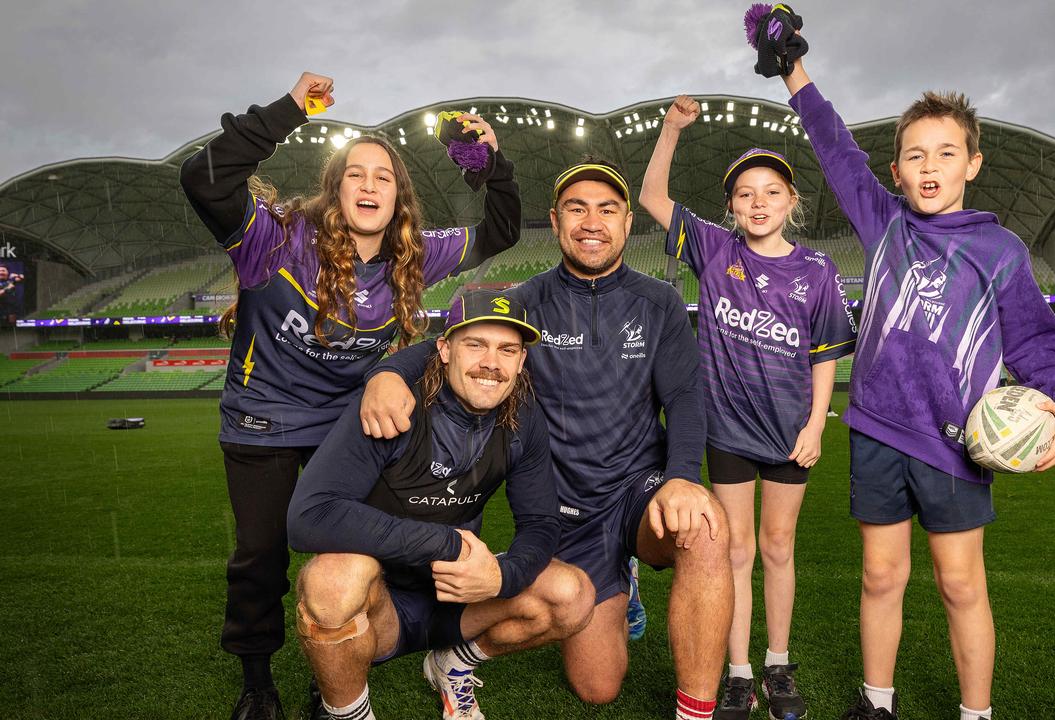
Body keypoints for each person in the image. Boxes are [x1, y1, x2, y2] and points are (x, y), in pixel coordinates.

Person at [755, 11, 1055, 720]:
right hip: (879, 428)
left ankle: (977, 712)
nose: (929, 166)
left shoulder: (1000, 251)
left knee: (961, 584)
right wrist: (794, 72)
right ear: (897, 170)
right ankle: (877, 701)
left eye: (945, 153)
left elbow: (1035, 345)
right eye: (915, 154)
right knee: (880, 575)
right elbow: (836, 149)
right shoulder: (885, 226)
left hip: (954, 442)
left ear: (972, 164)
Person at [178, 72, 522, 720]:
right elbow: (203, 178)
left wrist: (490, 164)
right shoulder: (274, 240)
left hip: (352, 424)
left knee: (352, 548)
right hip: (264, 419)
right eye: (356, 174)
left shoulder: (415, 255)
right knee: (261, 555)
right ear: (336, 188)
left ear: (400, 197)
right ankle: (257, 683)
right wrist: (289, 109)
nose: (369, 185)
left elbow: (500, 229)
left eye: (384, 177)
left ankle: (329, 668)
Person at [361, 159, 734, 720]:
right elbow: (452, 343)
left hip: (639, 491)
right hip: (564, 511)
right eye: (577, 209)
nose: (592, 221)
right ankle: (460, 653)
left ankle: (696, 713)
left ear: (628, 223)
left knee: (705, 527)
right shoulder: (526, 301)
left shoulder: (658, 302)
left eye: (607, 210)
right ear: (556, 222)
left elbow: (684, 399)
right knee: (598, 687)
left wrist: (682, 478)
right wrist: (387, 374)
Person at [639, 95, 857, 720]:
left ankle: (778, 666)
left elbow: (823, 354)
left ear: (792, 202)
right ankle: (737, 672)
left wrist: (816, 424)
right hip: (728, 430)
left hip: (792, 432)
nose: (758, 202)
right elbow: (654, 195)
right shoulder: (713, 249)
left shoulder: (817, 270)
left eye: (771, 191)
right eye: (745, 194)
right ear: (731, 206)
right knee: (733, 552)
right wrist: (671, 130)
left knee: (779, 547)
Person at [287, 290, 593, 720]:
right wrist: (447, 545)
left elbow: (541, 523)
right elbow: (308, 517)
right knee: (332, 580)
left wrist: (501, 578)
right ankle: (348, 713)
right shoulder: (394, 404)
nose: (492, 363)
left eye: (508, 350)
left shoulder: (524, 416)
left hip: (456, 598)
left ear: (522, 361)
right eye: (476, 345)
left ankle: (454, 664)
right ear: (445, 349)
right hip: (380, 603)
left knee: (572, 594)